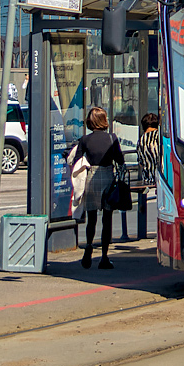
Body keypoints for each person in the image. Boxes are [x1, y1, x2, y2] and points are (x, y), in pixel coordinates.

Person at [69, 106, 124, 269]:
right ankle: (104, 257)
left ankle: (88, 250)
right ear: (104, 120)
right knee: (107, 219)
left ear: (90, 121)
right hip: (107, 175)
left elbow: (77, 159)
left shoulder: (85, 140)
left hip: (91, 177)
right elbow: (120, 160)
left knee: (91, 218)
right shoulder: (111, 138)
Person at [137, 112, 162, 184]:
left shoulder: (141, 140)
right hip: (162, 181)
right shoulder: (160, 137)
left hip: (148, 181)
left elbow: (140, 162)